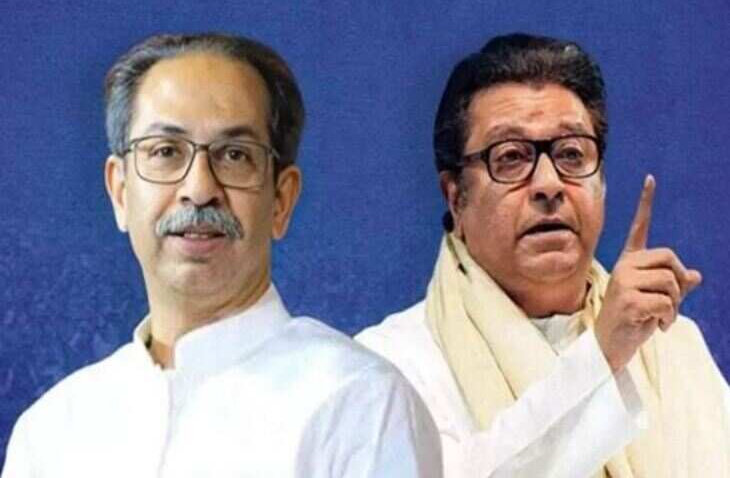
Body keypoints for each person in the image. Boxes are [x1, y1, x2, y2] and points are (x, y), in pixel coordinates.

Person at [2, 33, 441, 478]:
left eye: (234, 155)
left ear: (281, 201)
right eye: (165, 152)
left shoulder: (360, 406)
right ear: (119, 192)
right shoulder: (53, 432)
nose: (198, 189)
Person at [357, 33, 730, 477]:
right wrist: (602, 357)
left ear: (602, 183)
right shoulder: (390, 365)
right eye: (511, 157)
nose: (549, 184)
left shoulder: (672, 345)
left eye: (572, 154)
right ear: (455, 197)